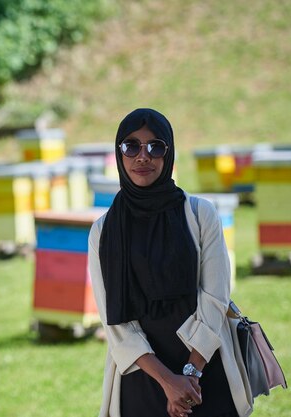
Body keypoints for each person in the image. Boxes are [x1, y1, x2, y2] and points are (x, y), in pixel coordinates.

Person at [88, 108, 253, 417]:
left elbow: (215, 297)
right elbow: (116, 323)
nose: (142, 156)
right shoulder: (104, 231)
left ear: (169, 153)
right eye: (131, 146)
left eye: (155, 147)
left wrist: (191, 373)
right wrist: (168, 381)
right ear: (119, 154)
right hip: (142, 374)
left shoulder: (200, 214)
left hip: (206, 367)